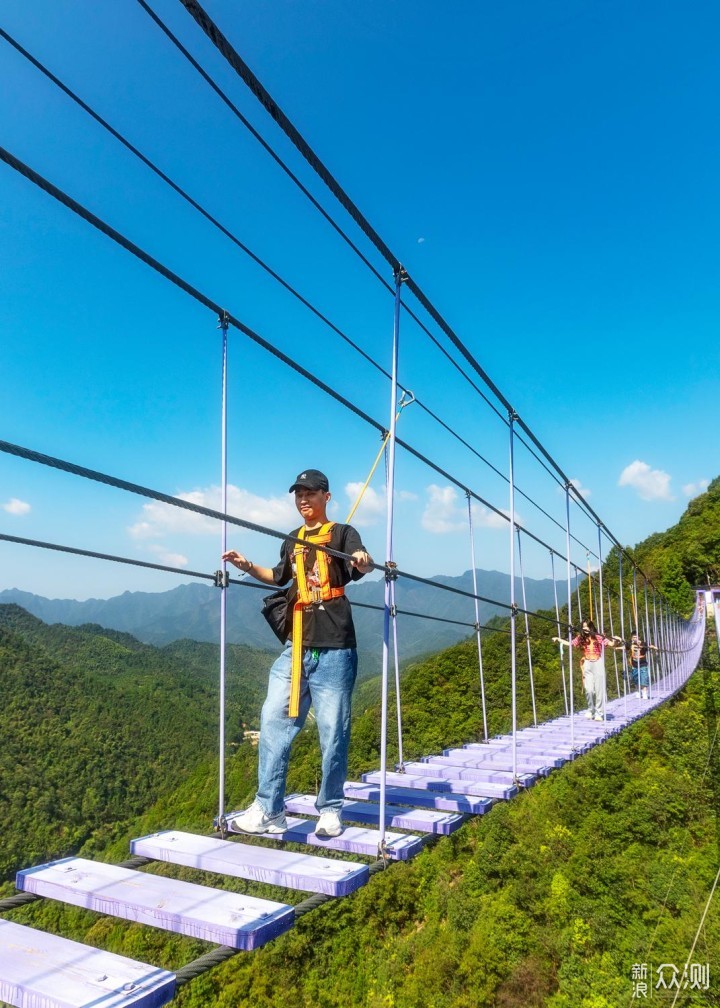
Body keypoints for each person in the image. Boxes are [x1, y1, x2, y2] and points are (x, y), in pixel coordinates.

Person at [222, 468, 373, 839]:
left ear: (326, 496)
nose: (303, 499)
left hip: (335, 645)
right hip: (297, 644)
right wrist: (246, 566)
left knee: (332, 730)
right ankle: (270, 809)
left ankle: (331, 808)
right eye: (298, 494)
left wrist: (363, 561)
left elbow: (359, 560)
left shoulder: (341, 533)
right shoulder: (291, 540)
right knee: (273, 718)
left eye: (310, 493)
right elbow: (278, 576)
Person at [553, 619, 619, 721]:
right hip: (587, 663)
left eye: (586, 627)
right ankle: (590, 709)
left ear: (591, 627)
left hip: (598, 663)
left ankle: (599, 713)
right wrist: (558, 639)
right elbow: (570, 643)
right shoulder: (581, 638)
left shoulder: (599, 637)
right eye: (583, 627)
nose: (585, 629)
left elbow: (611, 644)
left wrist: (616, 640)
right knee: (589, 690)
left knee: (599, 690)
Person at [623, 633, 658, 699]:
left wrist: (654, 647)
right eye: (633, 637)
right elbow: (625, 648)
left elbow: (649, 646)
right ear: (631, 638)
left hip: (643, 664)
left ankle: (644, 694)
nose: (635, 638)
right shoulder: (630, 644)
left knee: (644, 679)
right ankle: (638, 692)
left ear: (639, 637)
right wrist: (616, 647)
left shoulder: (643, 643)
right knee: (636, 680)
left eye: (636, 637)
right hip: (634, 665)